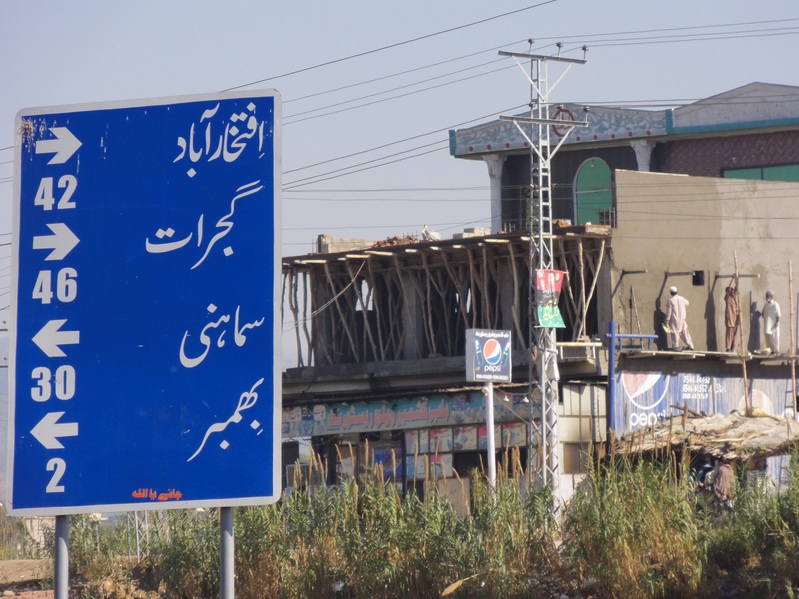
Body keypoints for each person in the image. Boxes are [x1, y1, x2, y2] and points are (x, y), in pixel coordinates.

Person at [665, 286, 694, 350]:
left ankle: (675, 346)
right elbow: (687, 303)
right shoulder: (682, 298)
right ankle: (691, 346)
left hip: (675, 319)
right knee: (685, 333)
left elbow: (669, 313)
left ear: (671, 293)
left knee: (675, 333)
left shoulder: (670, 300)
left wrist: (666, 321)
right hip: (682, 319)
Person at [724, 281, 740, 352]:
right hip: (730, 319)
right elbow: (729, 289)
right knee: (729, 334)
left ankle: (733, 347)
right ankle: (728, 347)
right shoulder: (728, 298)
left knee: (735, 334)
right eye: (731, 290)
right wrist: (732, 279)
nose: (733, 292)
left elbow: (737, 289)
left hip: (736, 319)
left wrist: (737, 279)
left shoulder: (735, 299)